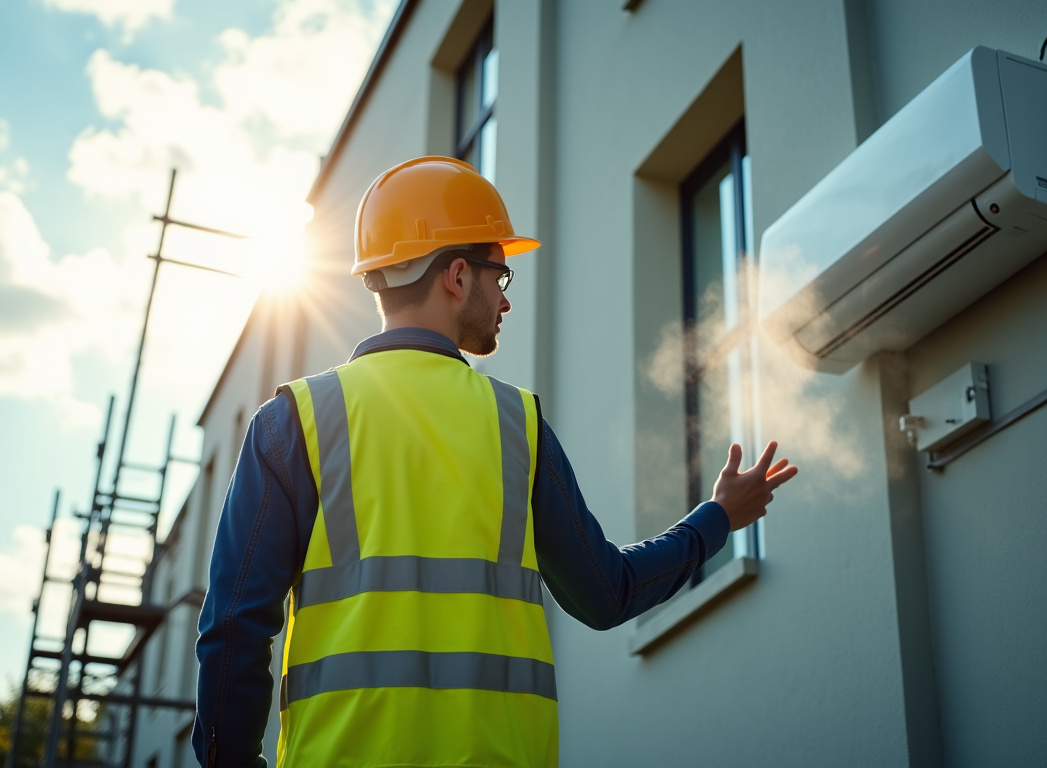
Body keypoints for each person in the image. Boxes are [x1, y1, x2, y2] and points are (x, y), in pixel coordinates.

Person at [192, 156, 799, 767]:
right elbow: (606, 593)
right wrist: (717, 518)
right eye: (499, 278)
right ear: (457, 275)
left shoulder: (293, 421)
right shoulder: (518, 426)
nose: (505, 302)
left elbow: (234, 628)